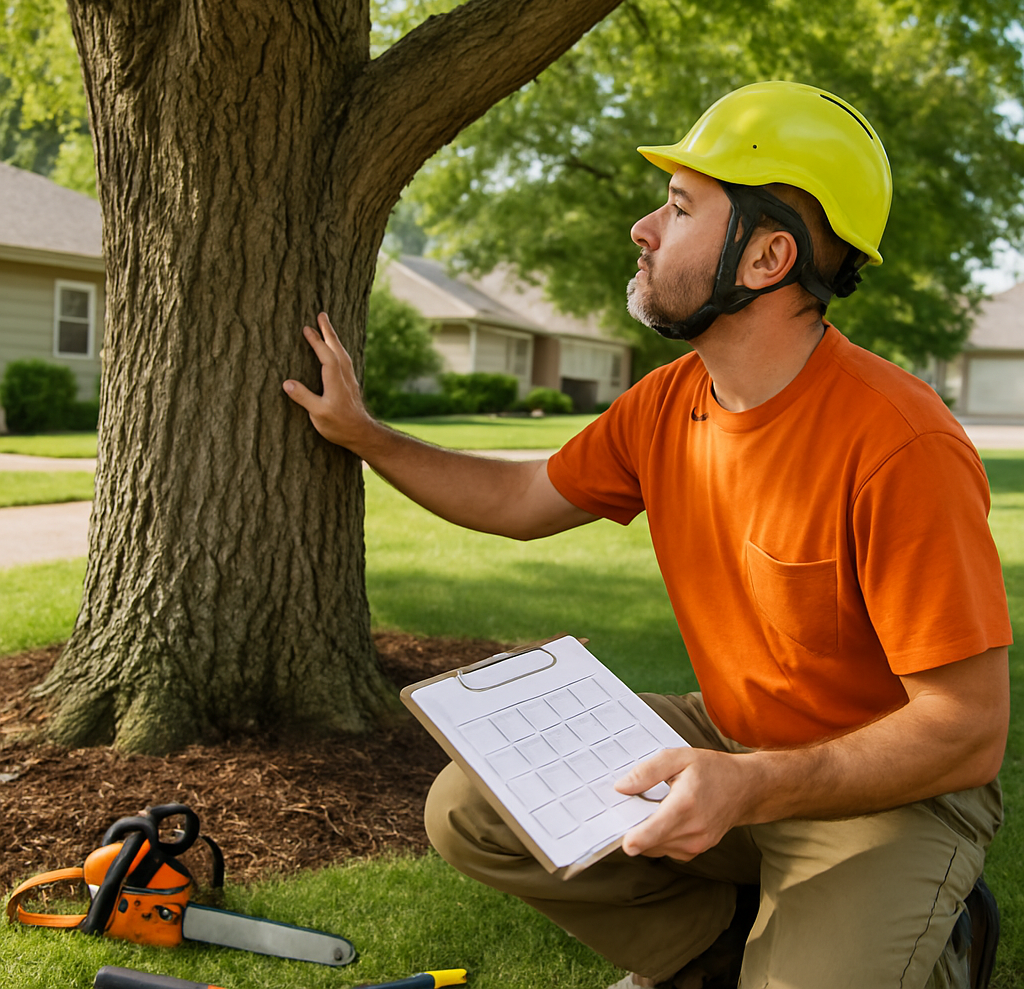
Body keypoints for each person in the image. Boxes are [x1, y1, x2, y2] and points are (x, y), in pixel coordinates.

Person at [283, 81, 1011, 989]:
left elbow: (966, 732)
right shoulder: (668, 404)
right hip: (735, 751)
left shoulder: (899, 444)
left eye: (677, 208)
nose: (642, 227)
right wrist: (364, 436)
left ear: (765, 258)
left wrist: (753, 785)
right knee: (473, 808)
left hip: (889, 798)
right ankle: (716, 954)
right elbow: (518, 498)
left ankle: (934, 947)